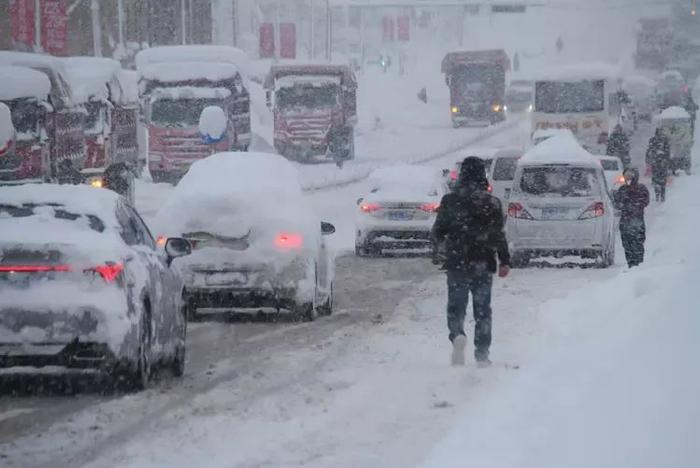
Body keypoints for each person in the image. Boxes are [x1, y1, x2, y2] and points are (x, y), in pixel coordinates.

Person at [432, 157, 510, 367]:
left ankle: (457, 335)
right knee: (483, 310)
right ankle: (482, 354)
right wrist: (504, 261)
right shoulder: (492, 203)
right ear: (482, 175)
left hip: (457, 262)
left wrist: (438, 252)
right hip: (483, 263)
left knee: (456, 307)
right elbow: (498, 235)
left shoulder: (450, 201)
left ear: (463, 175)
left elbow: (438, 231)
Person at [614, 168, 650, 267]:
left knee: (638, 244)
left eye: (630, 176)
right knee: (627, 245)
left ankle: (638, 264)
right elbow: (617, 204)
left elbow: (645, 202)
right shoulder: (622, 189)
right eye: (626, 176)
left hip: (637, 221)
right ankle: (631, 264)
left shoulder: (641, 188)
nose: (628, 178)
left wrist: (633, 204)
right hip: (625, 222)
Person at [645, 127, 671, 202]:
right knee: (659, 181)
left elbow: (649, 151)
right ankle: (659, 196)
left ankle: (660, 196)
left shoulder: (656, 140)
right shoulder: (662, 140)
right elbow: (649, 151)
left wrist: (648, 160)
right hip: (658, 163)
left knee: (659, 181)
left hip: (658, 163)